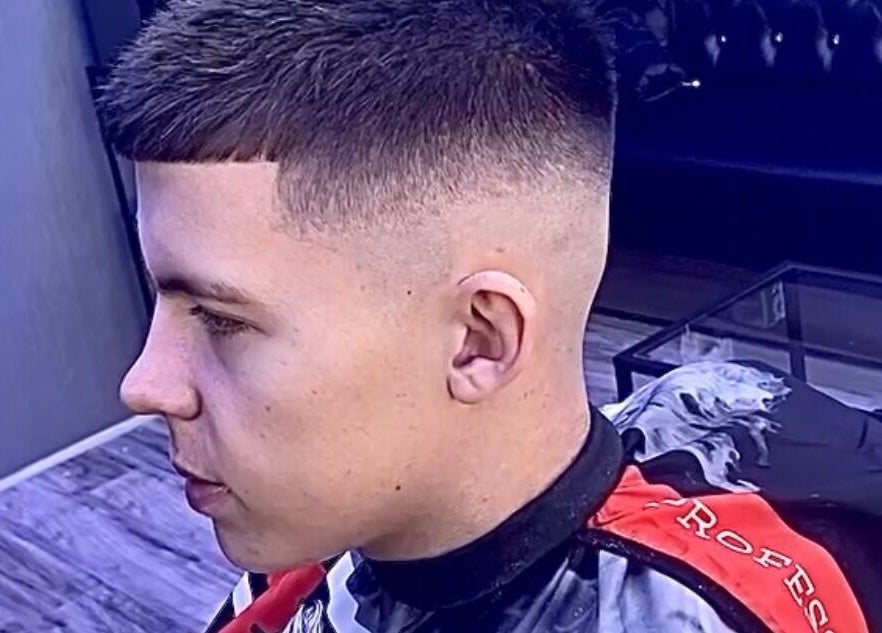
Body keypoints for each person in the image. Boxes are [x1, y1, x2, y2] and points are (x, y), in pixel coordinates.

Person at [101, 1, 880, 631]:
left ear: (479, 339)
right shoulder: (307, 555)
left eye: (223, 319)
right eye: (164, 300)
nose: (144, 384)